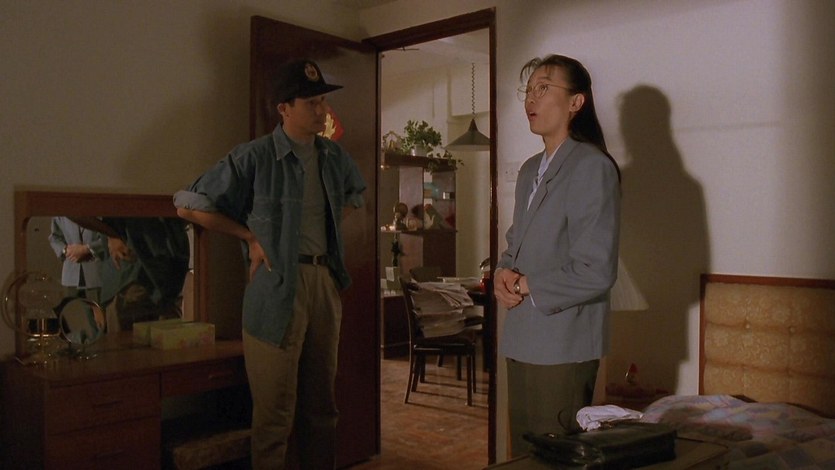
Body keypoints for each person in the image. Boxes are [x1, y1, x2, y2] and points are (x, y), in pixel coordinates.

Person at [173, 58, 366, 470]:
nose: (322, 110)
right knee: (274, 414)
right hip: (275, 285)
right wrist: (250, 237)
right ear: (284, 108)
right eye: (311, 103)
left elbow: (356, 194)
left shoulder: (333, 157)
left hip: (323, 281)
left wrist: (328, 227)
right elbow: (188, 204)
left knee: (322, 408)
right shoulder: (256, 156)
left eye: (323, 101)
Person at [494, 54, 621, 456]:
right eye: (529, 90)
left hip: (564, 343)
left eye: (544, 87)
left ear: (576, 102)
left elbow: (596, 270)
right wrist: (502, 273)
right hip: (521, 336)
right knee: (522, 456)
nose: (531, 98)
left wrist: (525, 285)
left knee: (553, 456)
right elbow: (516, 241)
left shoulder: (592, 166)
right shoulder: (530, 170)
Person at [48, 216, 107, 302]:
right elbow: (54, 237)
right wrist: (65, 250)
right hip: (71, 275)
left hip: (96, 273)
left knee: (97, 307)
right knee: (68, 308)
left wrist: (87, 249)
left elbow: (110, 237)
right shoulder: (61, 212)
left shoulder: (100, 210)